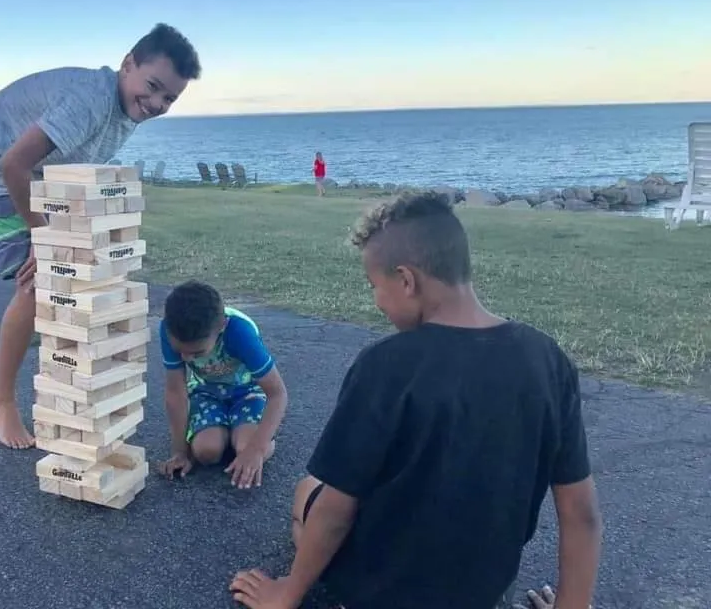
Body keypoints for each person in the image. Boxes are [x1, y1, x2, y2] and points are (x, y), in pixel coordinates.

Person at [229, 191, 602, 609]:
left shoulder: (384, 366)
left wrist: (287, 593)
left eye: (375, 286)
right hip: (485, 591)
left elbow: (336, 509)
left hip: (381, 594)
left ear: (406, 281)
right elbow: (580, 513)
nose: (376, 301)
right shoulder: (547, 358)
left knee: (308, 493)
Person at [0, 23, 202, 449]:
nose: (157, 103)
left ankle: (78, 388)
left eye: (170, 98)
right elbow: (12, 164)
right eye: (153, 86)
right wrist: (42, 236)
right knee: (39, 282)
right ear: (127, 65)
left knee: (82, 272)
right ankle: (1, 400)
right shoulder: (90, 100)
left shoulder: (128, 107)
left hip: (38, 178)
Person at [159, 280, 289, 490]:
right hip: (206, 391)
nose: (186, 358)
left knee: (247, 447)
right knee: (206, 452)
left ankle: (254, 437)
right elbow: (176, 392)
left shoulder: (240, 332)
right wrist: (180, 451)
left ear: (222, 327)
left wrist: (256, 449)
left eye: (197, 353)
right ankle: (230, 432)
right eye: (180, 350)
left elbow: (278, 394)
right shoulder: (169, 329)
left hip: (248, 391)